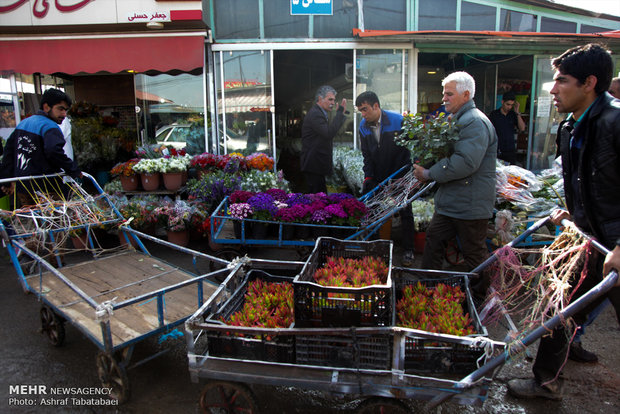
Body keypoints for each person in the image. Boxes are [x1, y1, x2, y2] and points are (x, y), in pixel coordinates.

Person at [507, 43, 620, 400]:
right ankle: (545, 382)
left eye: (562, 81)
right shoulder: (570, 127)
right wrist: (574, 212)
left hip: (615, 245)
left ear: (589, 82)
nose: (553, 90)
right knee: (562, 308)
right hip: (591, 239)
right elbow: (584, 180)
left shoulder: (615, 122)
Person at [413, 71, 497, 294]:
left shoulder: (475, 122)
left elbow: (465, 162)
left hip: (470, 204)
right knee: (433, 241)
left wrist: (429, 173)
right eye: (444, 94)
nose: (444, 99)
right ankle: (426, 290)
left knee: (474, 253)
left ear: (466, 95)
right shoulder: (459, 120)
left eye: (449, 94)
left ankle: (480, 299)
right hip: (453, 201)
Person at [355, 91, 416, 266]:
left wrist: (404, 176)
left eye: (365, 109)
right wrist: (368, 177)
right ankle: (374, 248)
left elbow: (408, 151)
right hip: (377, 174)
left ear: (376, 106)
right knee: (373, 210)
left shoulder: (398, 121)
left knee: (405, 211)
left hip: (399, 174)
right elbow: (366, 155)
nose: (363, 114)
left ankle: (408, 250)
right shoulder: (363, 127)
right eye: (361, 111)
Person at [0, 88, 81, 206]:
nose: (64, 114)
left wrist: (7, 179)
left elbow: (9, 152)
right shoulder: (49, 126)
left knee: (29, 221)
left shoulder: (23, 123)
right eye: (60, 109)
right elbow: (54, 151)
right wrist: (73, 169)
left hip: (23, 187)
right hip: (46, 188)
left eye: (66, 110)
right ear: (46, 107)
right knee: (54, 221)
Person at [300, 85, 347, 193]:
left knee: (319, 196)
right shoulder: (316, 114)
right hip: (314, 164)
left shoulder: (319, 113)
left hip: (316, 164)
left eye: (334, 100)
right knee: (318, 198)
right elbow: (328, 133)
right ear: (320, 99)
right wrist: (339, 114)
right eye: (330, 99)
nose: (332, 103)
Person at [488, 91, 526, 164]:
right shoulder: (494, 115)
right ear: (502, 102)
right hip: (497, 149)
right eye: (507, 104)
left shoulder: (513, 115)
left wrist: (517, 113)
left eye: (511, 105)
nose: (509, 107)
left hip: (510, 150)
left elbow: (522, 128)